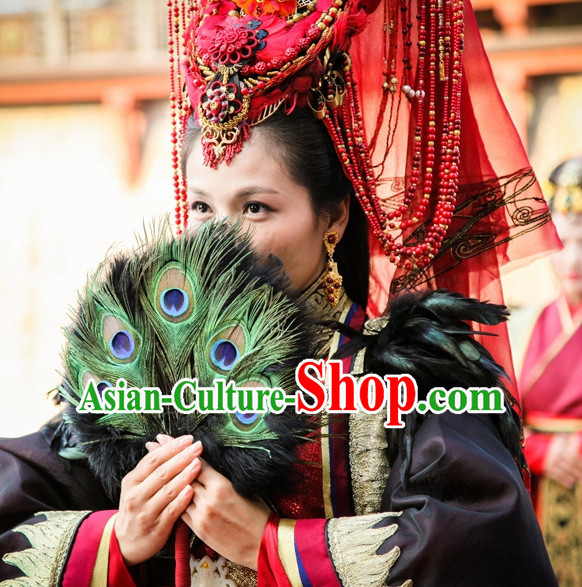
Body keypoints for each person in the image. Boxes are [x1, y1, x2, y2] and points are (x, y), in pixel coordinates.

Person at [0, 0, 562, 584]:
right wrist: (119, 535)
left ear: (334, 217)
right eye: (201, 206)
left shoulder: (409, 377)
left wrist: (271, 545)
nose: (220, 234)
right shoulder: (140, 373)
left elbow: (482, 543)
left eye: (256, 207)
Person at [515, 155, 582, 586]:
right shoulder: (521, 327)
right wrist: (539, 450)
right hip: (536, 501)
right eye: (564, 242)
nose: (573, 260)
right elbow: (491, 418)